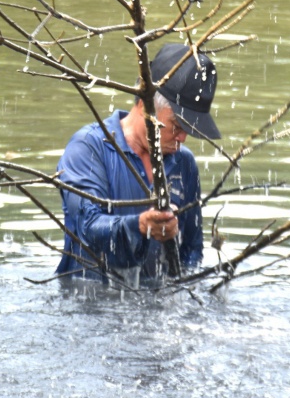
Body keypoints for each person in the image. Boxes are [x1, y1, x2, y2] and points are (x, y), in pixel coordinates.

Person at [55, 43, 221, 283]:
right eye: (177, 125)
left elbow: (192, 251)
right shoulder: (89, 148)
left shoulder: (184, 164)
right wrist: (141, 226)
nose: (183, 138)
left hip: (157, 308)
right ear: (145, 104)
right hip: (89, 302)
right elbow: (88, 227)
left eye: (190, 129)